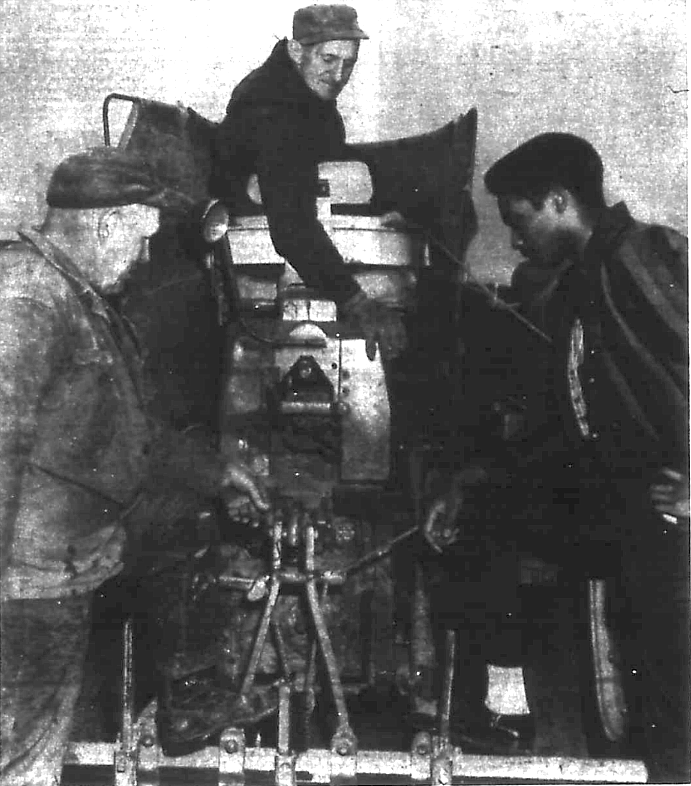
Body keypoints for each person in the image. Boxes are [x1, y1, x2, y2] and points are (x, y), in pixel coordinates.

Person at [0, 147, 270, 786]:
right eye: (139, 239)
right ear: (103, 225)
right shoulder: (29, 300)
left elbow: (131, 427)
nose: (144, 257)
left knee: (34, 742)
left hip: (71, 556)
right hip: (28, 581)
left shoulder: (82, 298)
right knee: (21, 752)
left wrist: (211, 472)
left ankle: (183, 697)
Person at [425, 133, 689, 779]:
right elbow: (575, 416)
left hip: (672, 517)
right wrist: (473, 477)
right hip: (632, 507)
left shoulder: (639, 255)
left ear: (557, 200)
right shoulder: (586, 282)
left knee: (677, 699)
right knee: (656, 696)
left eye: (518, 221)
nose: (514, 241)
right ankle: (504, 711)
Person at [211, 3, 406, 362]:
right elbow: (292, 229)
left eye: (349, 63)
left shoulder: (296, 88)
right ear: (296, 49)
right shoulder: (278, 112)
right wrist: (358, 302)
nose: (339, 75)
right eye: (329, 59)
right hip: (258, 249)